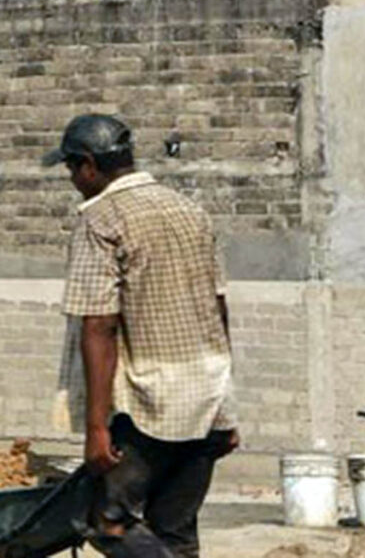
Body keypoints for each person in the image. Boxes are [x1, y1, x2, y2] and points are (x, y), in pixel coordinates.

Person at [53, 113, 240, 558]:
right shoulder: (188, 209)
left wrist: (96, 428)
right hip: (206, 394)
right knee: (174, 532)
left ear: (88, 166)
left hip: (151, 404)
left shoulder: (101, 218)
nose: (73, 180)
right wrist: (227, 408)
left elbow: (99, 324)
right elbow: (218, 308)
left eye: (70, 170)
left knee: (105, 522)